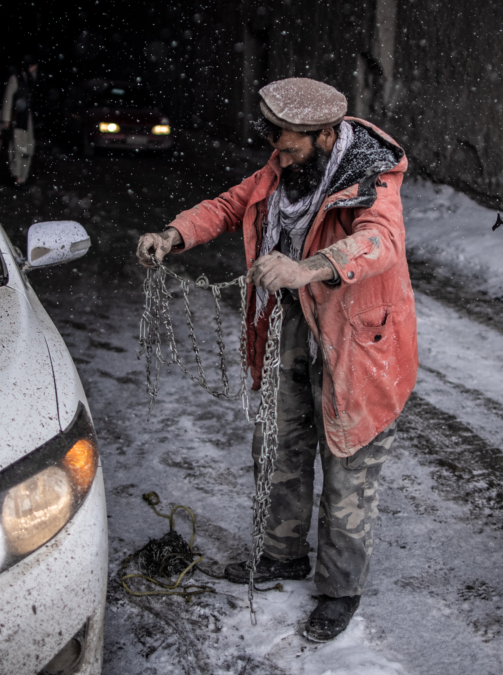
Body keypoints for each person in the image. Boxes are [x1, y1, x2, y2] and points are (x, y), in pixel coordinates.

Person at [135, 78, 417, 642]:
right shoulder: (284, 167)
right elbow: (229, 205)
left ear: (326, 135)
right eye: (277, 146)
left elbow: (382, 241)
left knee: (347, 467)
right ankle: (282, 553)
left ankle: (340, 589)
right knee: (280, 445)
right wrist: (173, 234)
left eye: (291, 148)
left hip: (357, 341)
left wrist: (307, 267)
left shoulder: (370, 176)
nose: (280, 158)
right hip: (292, 326)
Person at [2, 56, 39, 186]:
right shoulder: (15, 78)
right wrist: (6, 119)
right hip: (17, 118)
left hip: (27, 118)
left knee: (29, 147)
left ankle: (23, 176)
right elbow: (8, 99)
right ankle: (18, 177)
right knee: (18, 147)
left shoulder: (30, 80)